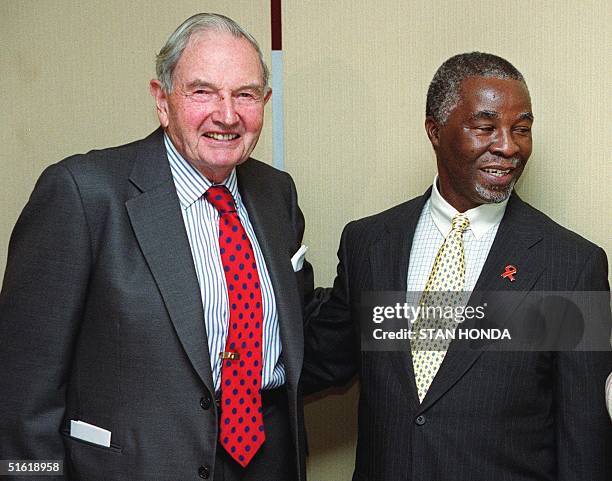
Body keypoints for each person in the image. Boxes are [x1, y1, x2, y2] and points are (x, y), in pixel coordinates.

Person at [0, 13, 314, 481]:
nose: (226, 115)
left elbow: (301, 324)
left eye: (244, 94)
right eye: (202, 91)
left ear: (265, 102)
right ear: (162, 100)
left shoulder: (276, 194)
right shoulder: (82, 194)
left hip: (266, 464)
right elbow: (20, 398)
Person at [302, 52, 612, 480]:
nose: (508, 145)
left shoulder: (571, 266)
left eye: (521, 129)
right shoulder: (369, 244)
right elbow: (321, 359)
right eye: (485, 127)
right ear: (434, 131)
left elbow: (585, 442)